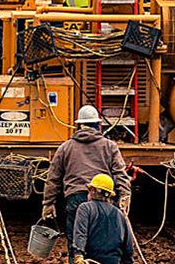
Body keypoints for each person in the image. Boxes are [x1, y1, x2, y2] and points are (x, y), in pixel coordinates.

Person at [42, 105, 132, 263]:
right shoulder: (109, 146)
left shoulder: (65, 148)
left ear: (78, 125)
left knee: (76, 245)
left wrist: (48, 204)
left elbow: (53, 178)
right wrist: (125, 195)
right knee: (102, 242)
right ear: (98, 125)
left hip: (75, 199)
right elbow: (120, 174)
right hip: (102, 200)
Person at [71, 174, 134, 264]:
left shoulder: (85, 208)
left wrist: (78, 255)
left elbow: (80, 234)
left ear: (93, 190)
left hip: (91, 260)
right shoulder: (119, 214)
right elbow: (128, 244)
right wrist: (128, 261)